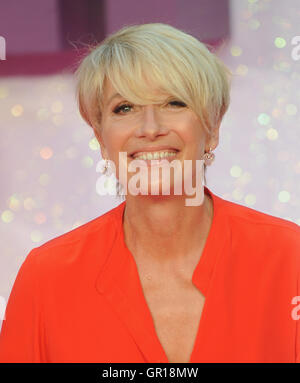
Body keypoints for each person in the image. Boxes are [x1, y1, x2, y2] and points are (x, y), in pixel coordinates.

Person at [0, 23, 300, 363]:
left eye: (174, 102)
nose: (151, 128)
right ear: (100, 137)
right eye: (124, 108)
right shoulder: (47, 278)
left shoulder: (290, 260)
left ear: (212, 128)